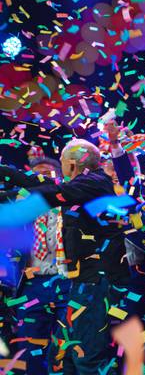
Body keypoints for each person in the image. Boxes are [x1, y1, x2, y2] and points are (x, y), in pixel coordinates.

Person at [0, 139, 131, 374]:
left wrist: (8, 198)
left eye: (62, 162)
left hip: (96, 283)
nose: (61, 168)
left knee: (88, 357)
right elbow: (36, 182)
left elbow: (55, 192)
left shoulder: (94, 183)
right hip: (81, 283)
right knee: (62, 356)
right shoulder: (83, 184)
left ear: (71, 163)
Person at [10, 147, 71, 375]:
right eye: (37, 175)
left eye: (48, 174)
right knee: (31, 346)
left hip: (68, 282)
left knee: (67, 345)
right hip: (32, 285)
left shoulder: (70, 208)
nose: (43, 180)